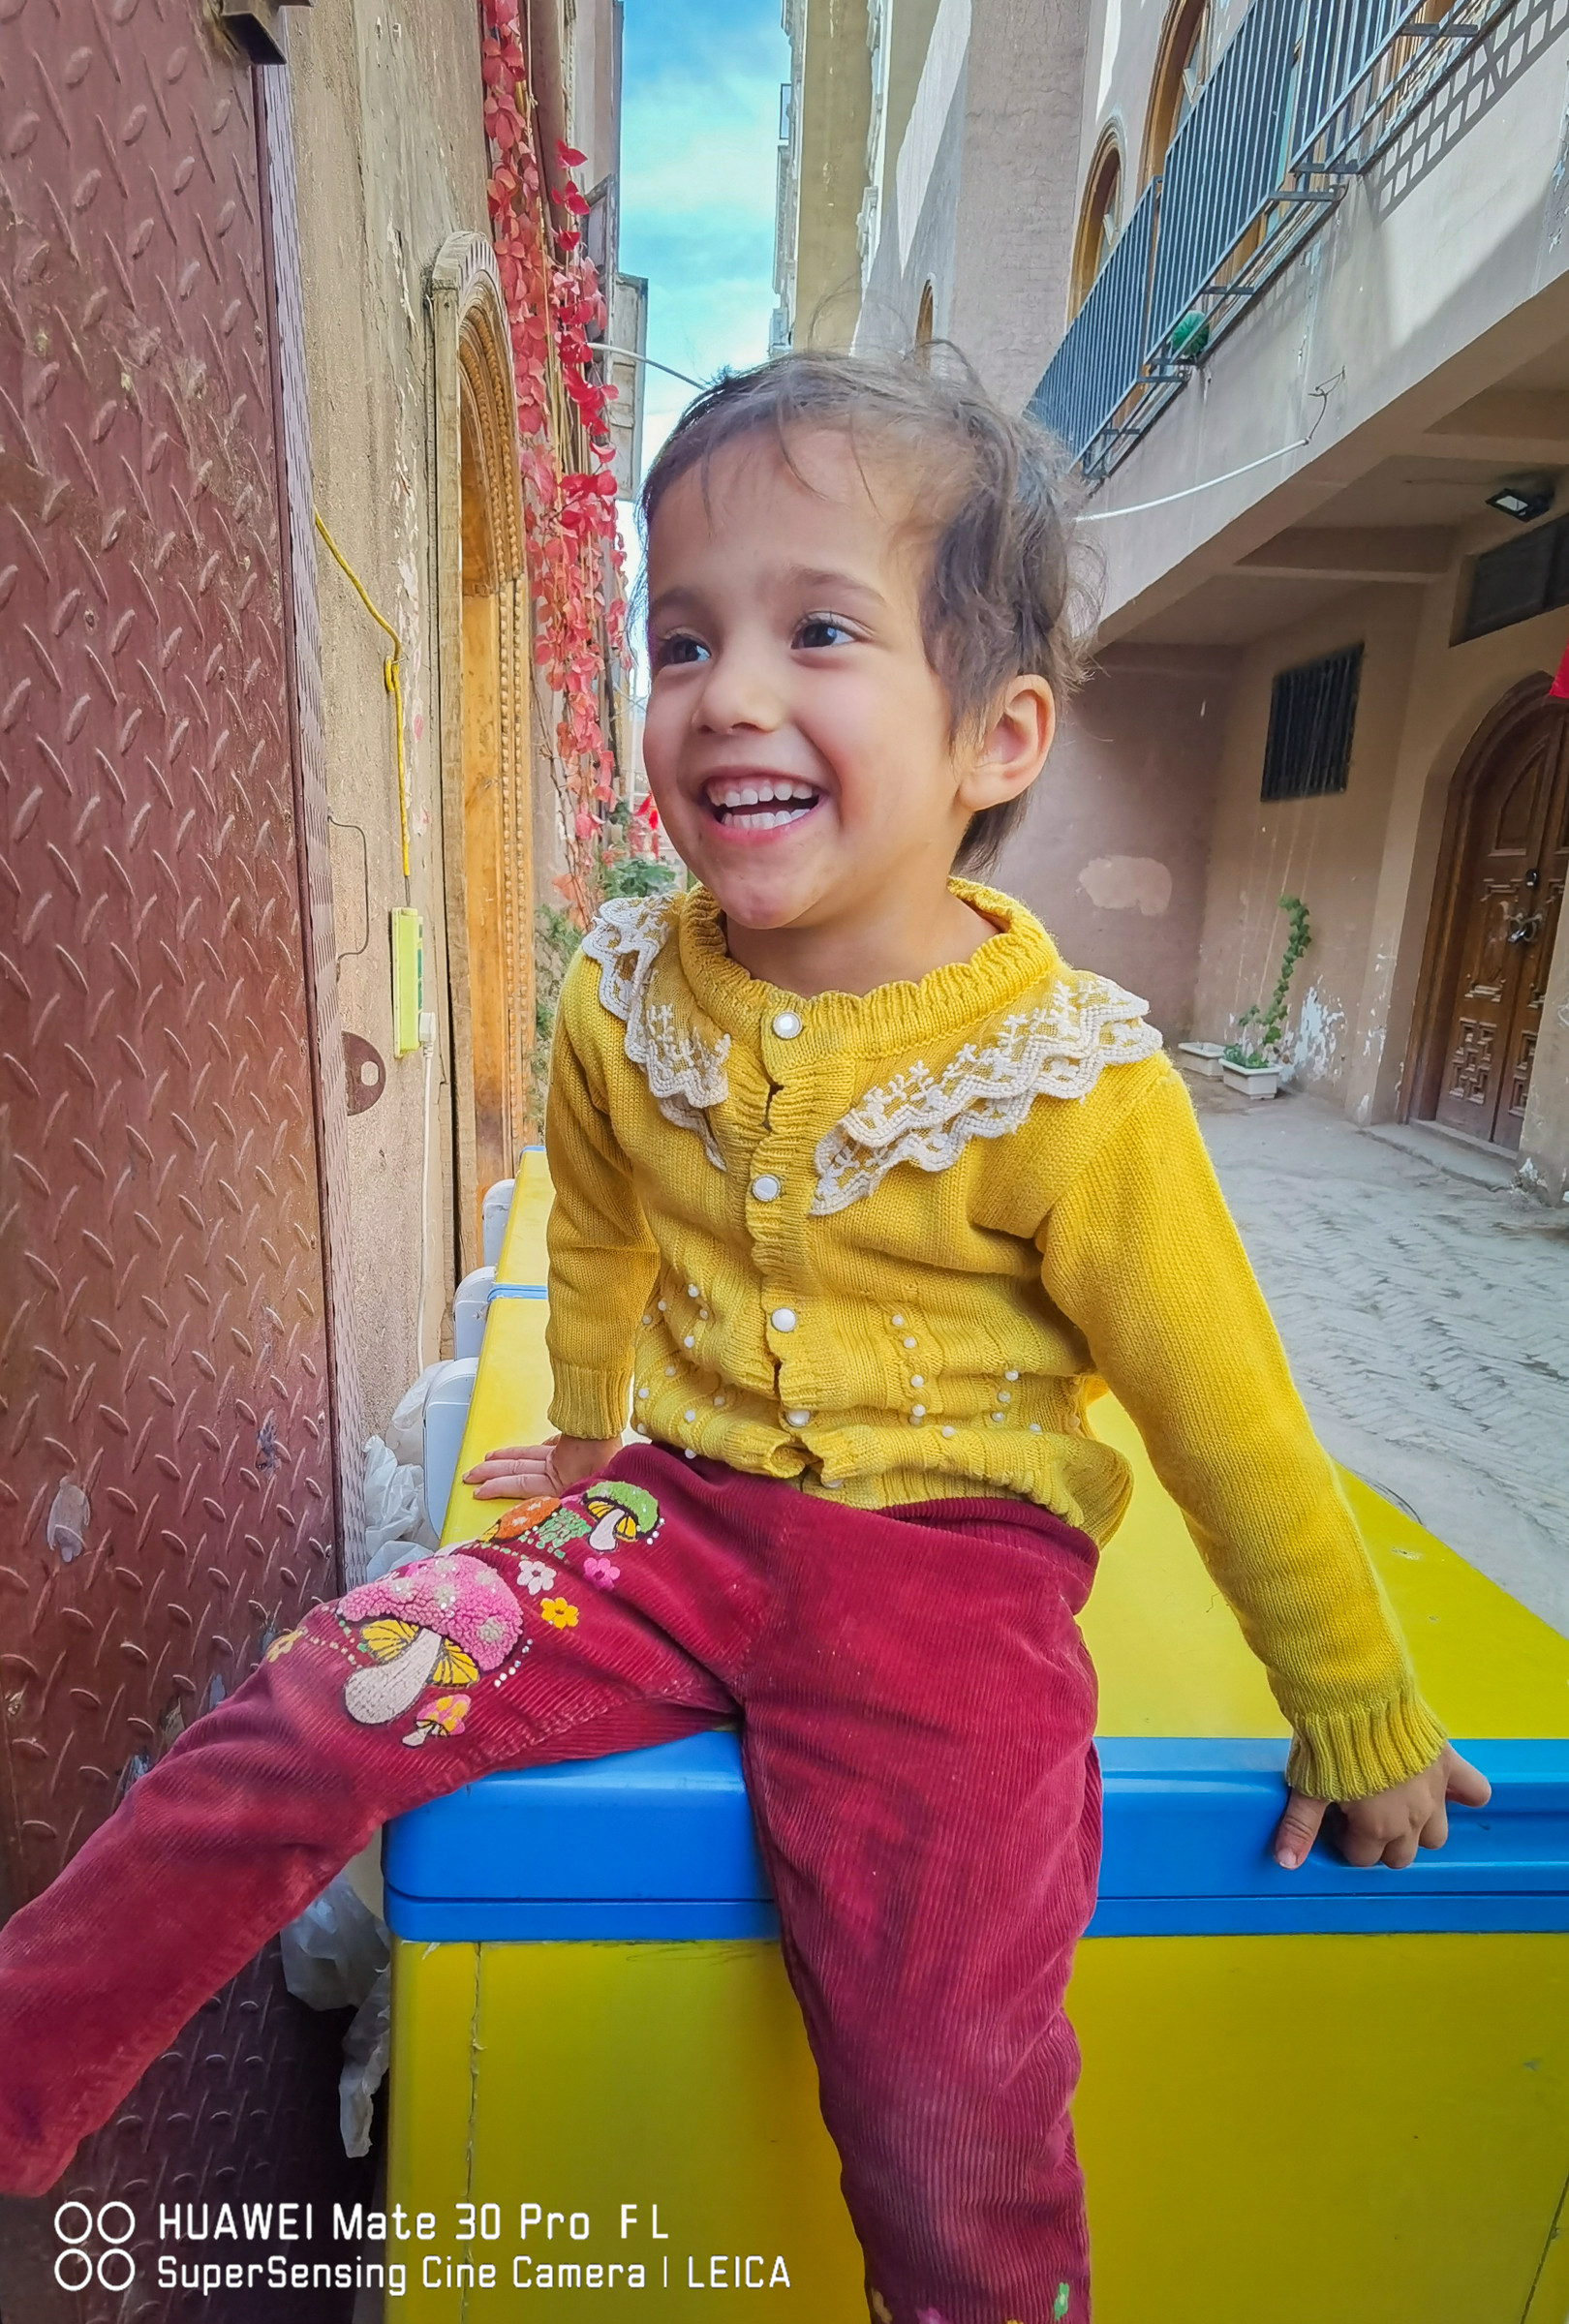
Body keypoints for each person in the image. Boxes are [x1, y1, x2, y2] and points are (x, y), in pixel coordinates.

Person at [0, 351, 1487, 2321]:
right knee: (317, 1697)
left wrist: (1356, 1708)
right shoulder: (626, 993)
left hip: (951, 1594)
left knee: (952, 2088)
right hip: (674, 1528)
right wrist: (585, 1439)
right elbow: (599, 1223)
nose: (728, 694)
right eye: (685, 638)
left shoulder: (1071, 1082)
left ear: (996, 737)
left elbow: (1228, 1417)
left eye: (820, 632)